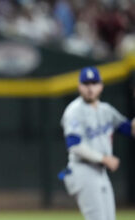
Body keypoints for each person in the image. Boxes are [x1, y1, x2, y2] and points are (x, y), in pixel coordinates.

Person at [59, 66, 135, 220]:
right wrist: (104, 158)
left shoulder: (106, 110)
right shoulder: (74, 110)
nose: (90, 88)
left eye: (94, 83)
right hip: (83, 171)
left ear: (101, 86)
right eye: (86, 84)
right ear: (79, 86)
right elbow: (74, 144)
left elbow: (129, 129)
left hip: (100, 173)